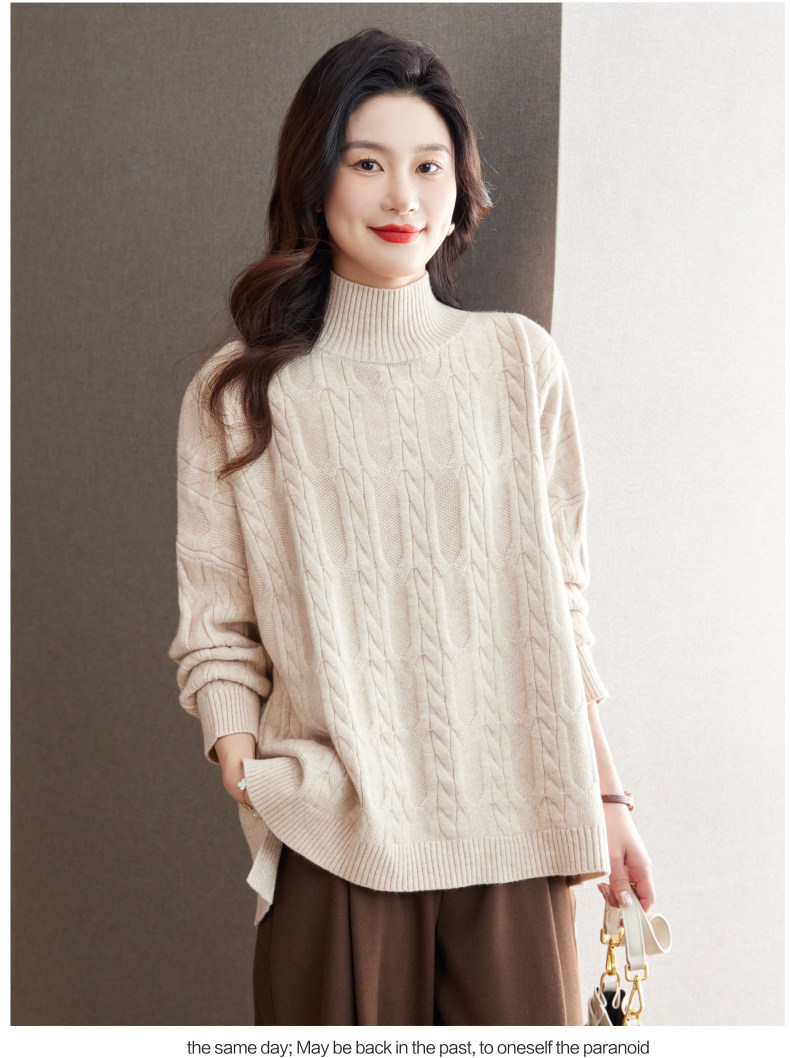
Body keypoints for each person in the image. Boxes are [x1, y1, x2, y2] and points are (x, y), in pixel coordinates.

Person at [168, 27, 655, 1027]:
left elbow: (558, 609)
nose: (404, 197)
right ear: (316, 179)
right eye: (368, 164)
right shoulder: (242, 391)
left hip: (520, 835)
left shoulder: (518, 363)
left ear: (460, 184)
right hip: (336, 840)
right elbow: (216, 624)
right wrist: (243, 763)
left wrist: (609, 804)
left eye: (429, 166)